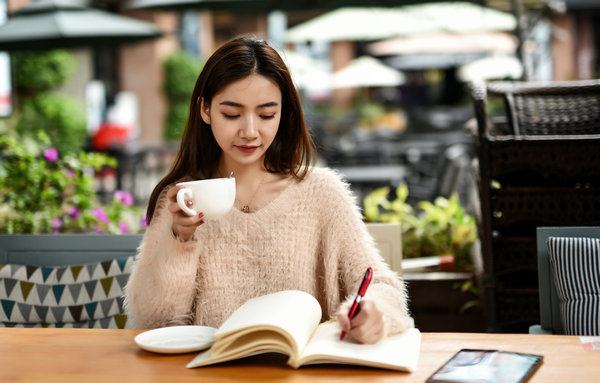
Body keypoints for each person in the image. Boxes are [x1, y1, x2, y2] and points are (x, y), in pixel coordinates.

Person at [124, 35, 413, 344]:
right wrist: (180, 240)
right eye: (232, 114)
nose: (249, 131)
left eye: (266, 115)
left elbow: (381, 285)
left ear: (284, 114)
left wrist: (374, 312)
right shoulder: (182, 198)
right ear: (205, 110)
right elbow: (152, 323)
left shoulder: (322, 194)